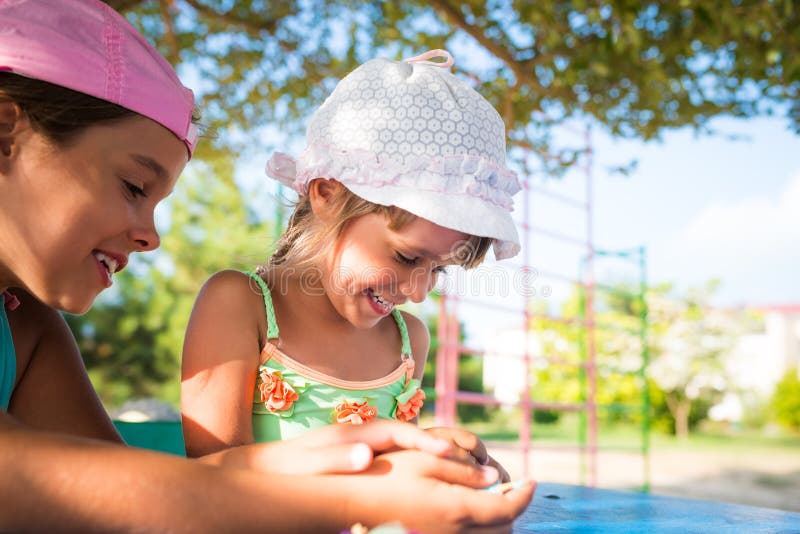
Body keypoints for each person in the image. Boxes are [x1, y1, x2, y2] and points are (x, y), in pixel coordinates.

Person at [0, 1, 534, 532]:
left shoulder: (28, 328)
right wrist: (349, 499)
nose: (151, 236)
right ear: (6, 135)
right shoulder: (242, 304)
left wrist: (398, 465)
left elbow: (118, 500)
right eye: (134, 186)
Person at [181, 50, 522, 481]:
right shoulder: (241, 306)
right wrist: (367, 452)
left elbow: (391, 483)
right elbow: (211, 475)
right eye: (406, 257)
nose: (418, 293)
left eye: (438, 269)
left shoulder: (407, 339)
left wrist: (436, 465)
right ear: (328, 195)